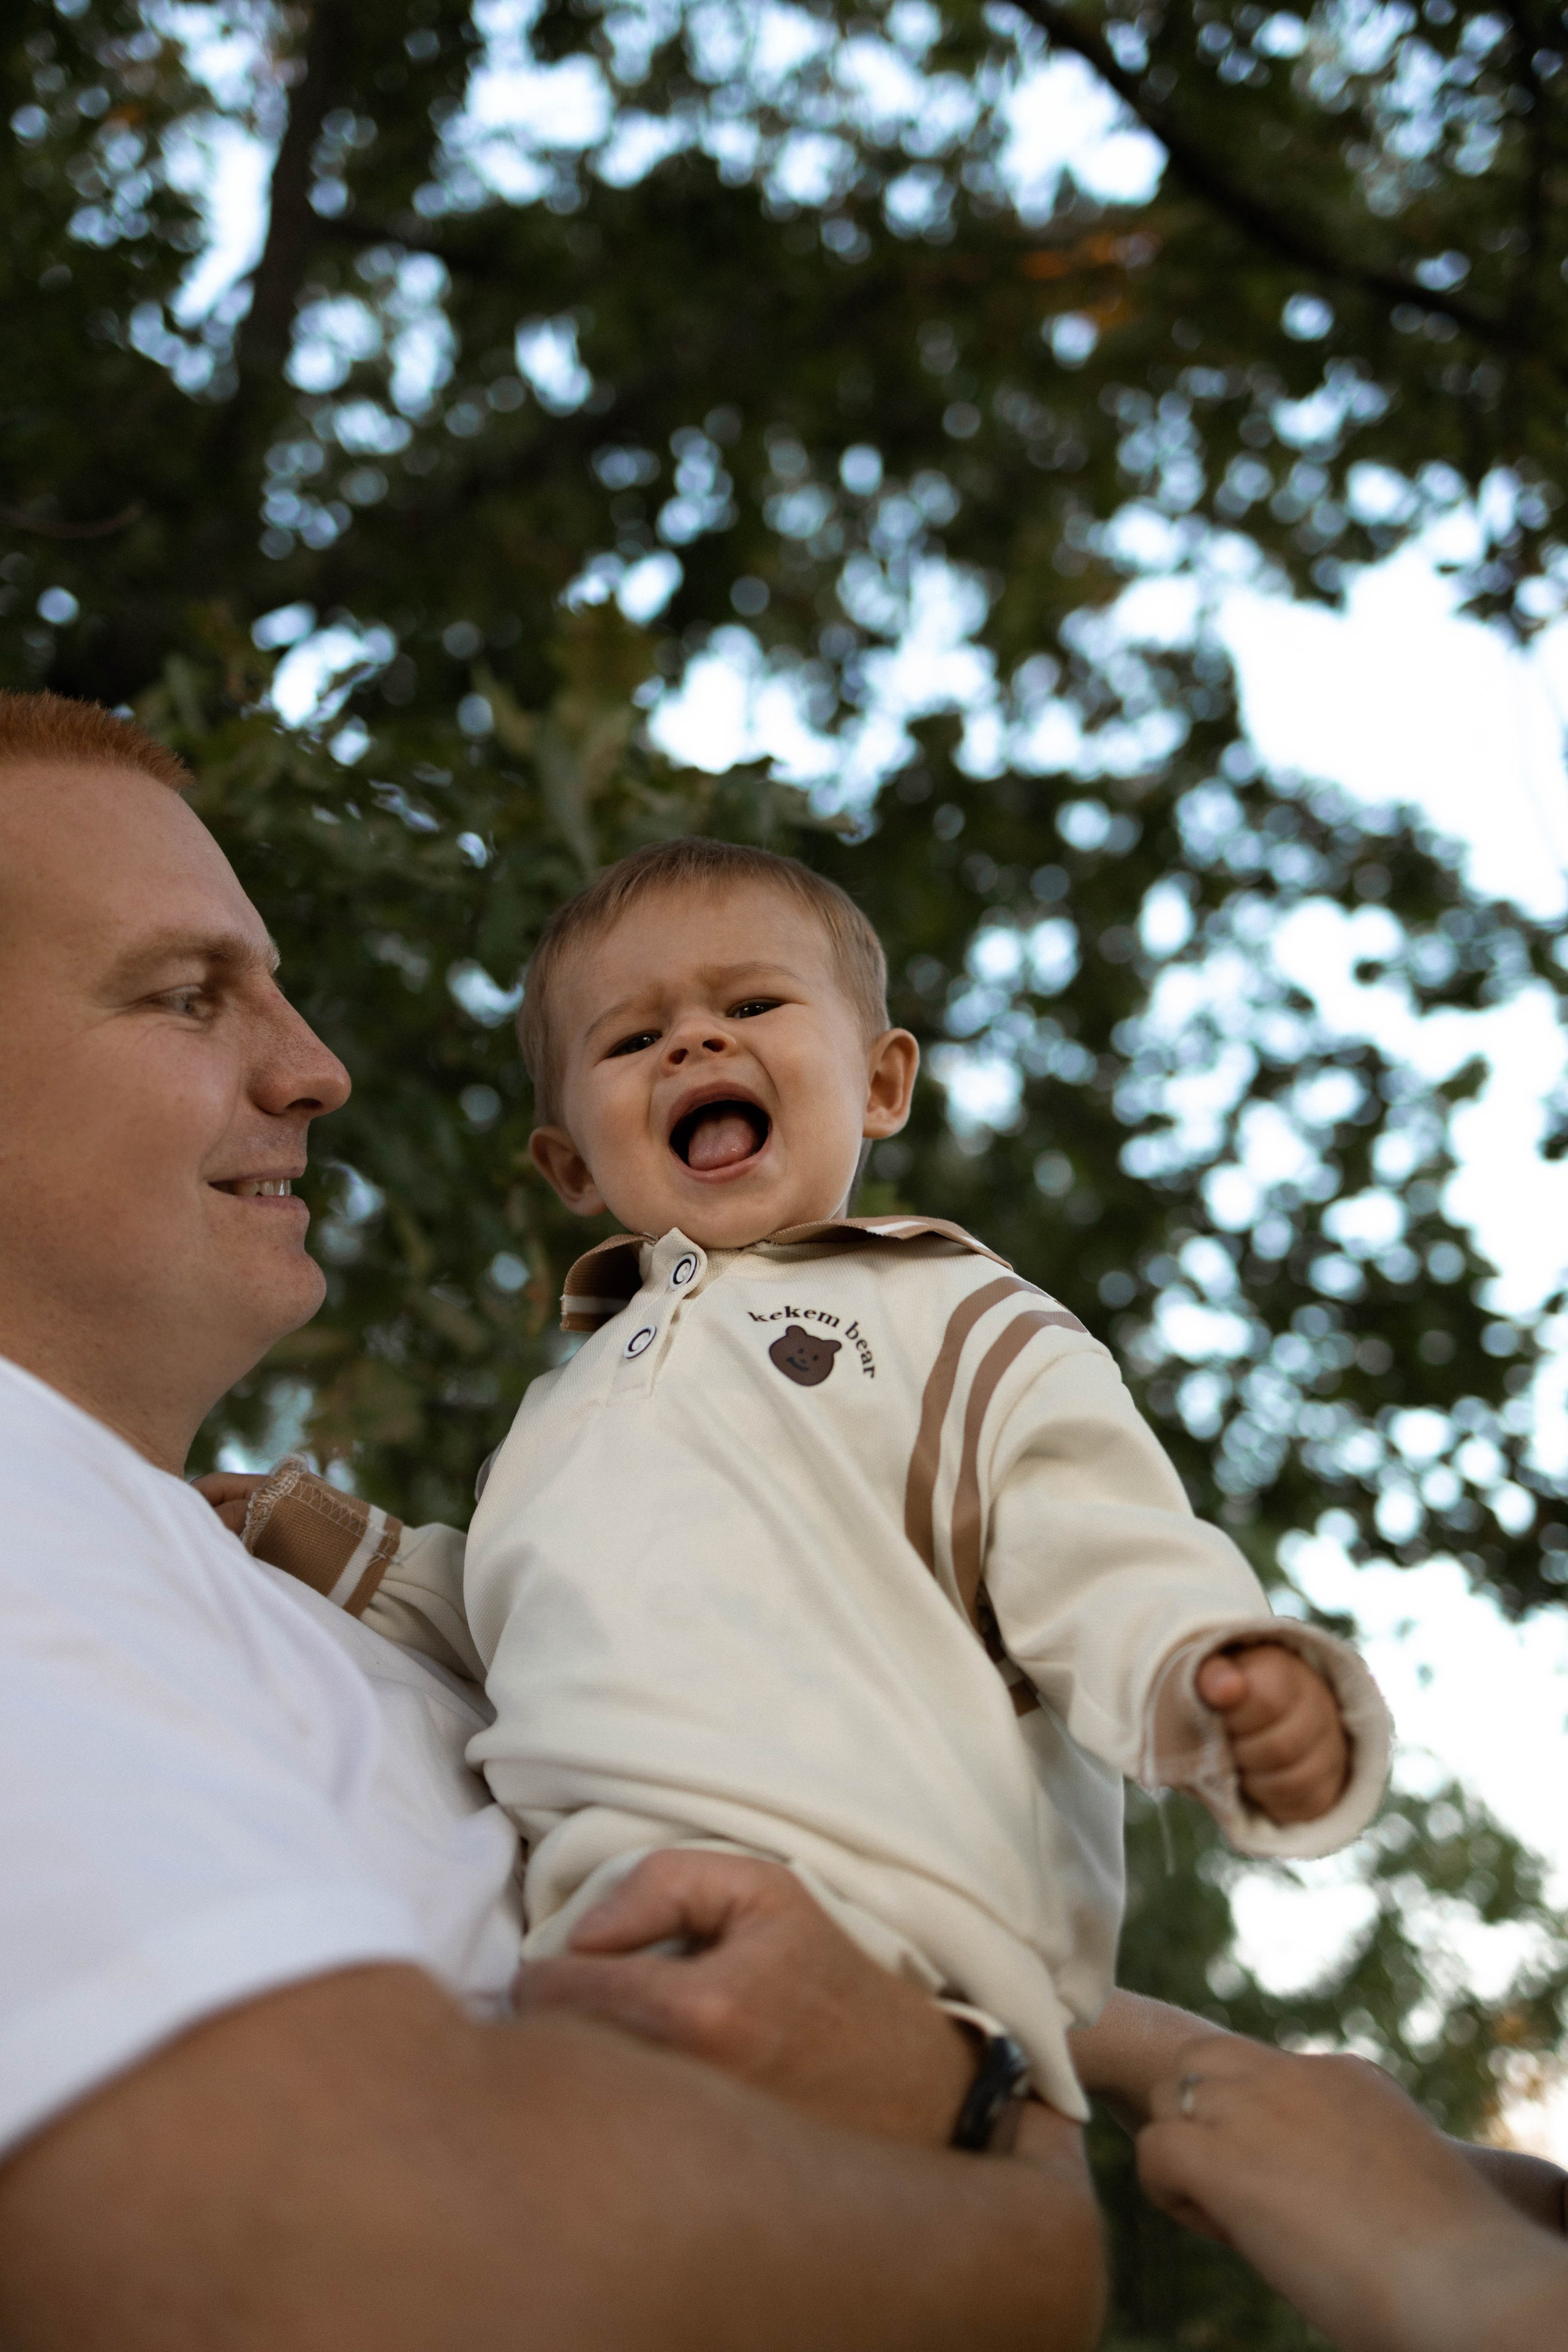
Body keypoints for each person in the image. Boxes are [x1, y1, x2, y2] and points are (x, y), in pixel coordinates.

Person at [0, 689, 1106, 2351]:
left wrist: (1030, 2056)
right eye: (184, 996)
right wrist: (1027, 2216)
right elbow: (366, 2272)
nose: (317, 1069)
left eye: (282, 996)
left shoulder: (220, 1592)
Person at [221, 837, 1389, 2136]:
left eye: (751, 1005)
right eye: (631, 1040)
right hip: (588, 1946)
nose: (693, 1046)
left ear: (881, 1082)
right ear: (570, 1168)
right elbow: (533, 1637)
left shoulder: (954, 1317)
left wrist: (1207, 1669)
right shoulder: (559, 1412)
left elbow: (1090, 1543)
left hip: (886, 1938)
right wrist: (350, 1554)